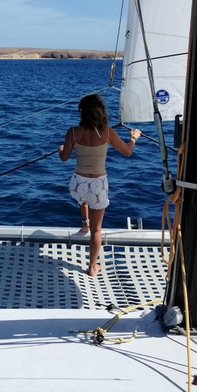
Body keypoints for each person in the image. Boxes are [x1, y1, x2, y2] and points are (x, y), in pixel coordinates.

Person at [58, 93, 140, 277]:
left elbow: (64, 158)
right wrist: (133, 138)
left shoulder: (72, 132)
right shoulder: (108, 132)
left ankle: (84, 223)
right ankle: (92, 267)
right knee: (97, 229)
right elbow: (127, 151)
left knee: (83, 196)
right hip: (98, 185)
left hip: (78, 183)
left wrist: (61, 150)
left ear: (82, 113)